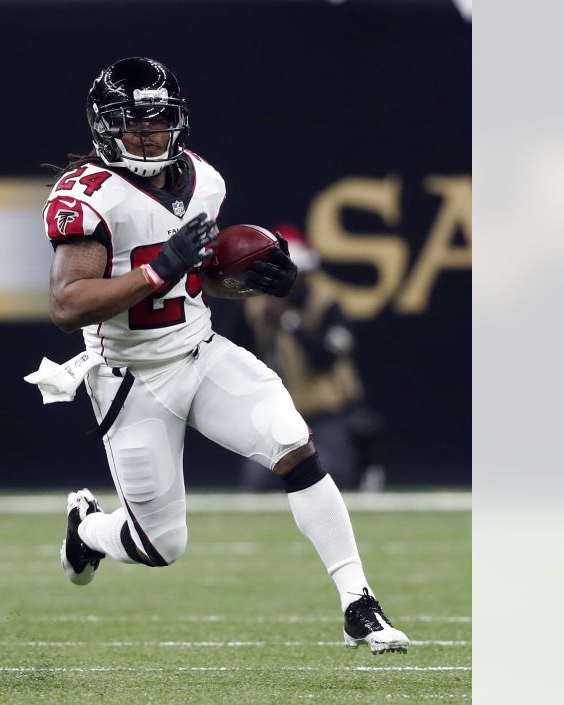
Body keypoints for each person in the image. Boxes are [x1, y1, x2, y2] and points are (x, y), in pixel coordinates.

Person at [30, 57, 408, 654]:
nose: (150, 132)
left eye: (160, 119)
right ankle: (89, 530)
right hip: (132, 377)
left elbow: (198, 279)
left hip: (200, 353)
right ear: (106, 127)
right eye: (135, 121)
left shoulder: (205, 180)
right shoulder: (87, 198)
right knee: (161, 546)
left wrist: (254, 281)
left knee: (291, 441)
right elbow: (67, 304)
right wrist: (159, 268)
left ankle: (359, 603)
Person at [238, 225, 387, 493]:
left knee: (328, 474)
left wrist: (290, 322)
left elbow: (325, 358)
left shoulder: (326, 305)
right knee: (258, 481)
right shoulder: (257, 310)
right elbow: (237, 354)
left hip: (325, 416)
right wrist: (268, 323)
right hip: (280, 417)